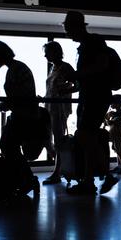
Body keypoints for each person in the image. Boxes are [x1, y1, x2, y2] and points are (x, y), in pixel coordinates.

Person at [62, 10, 118, 194]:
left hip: (95, 97)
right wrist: (73, 87)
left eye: (68, 28)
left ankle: (103, 175)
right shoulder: (87, 45)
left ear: (75, 27)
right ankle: (90, 179)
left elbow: (99, 68)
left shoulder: (93, 43)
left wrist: (76, 76)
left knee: (85, 135)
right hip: (91, 97)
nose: (66, 32)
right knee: (87, 137)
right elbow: (91, 75)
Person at [0, 40, 40, 194]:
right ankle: (25, 179)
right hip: (23, 113)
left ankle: (26, 180)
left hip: (23, 114)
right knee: (10, 146)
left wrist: (1, 107)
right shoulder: (17, 68)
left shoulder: (16, 69)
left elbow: (19, 95)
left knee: (8, 146)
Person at [42, 41, 75, 185]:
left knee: (59, 139)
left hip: (59, 108)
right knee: (48, 138)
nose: (45, 55)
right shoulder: (53, 68)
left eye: (47, 52)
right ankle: (60, 168)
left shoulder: (65, 67)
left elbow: (78, 85)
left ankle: (57, 171)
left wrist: (65, 91)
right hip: (49, 106)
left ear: (55, 52)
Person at [104, 94, 121, 174]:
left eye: (112, 103)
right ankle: (120, 166)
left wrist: (106, 119)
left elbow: (111, 122)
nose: (111, 105)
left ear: (117, 104)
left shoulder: (119, 114)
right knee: (116, 150)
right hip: (115, 135)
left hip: (118, 135)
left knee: (118, 151)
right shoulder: (116, 113)